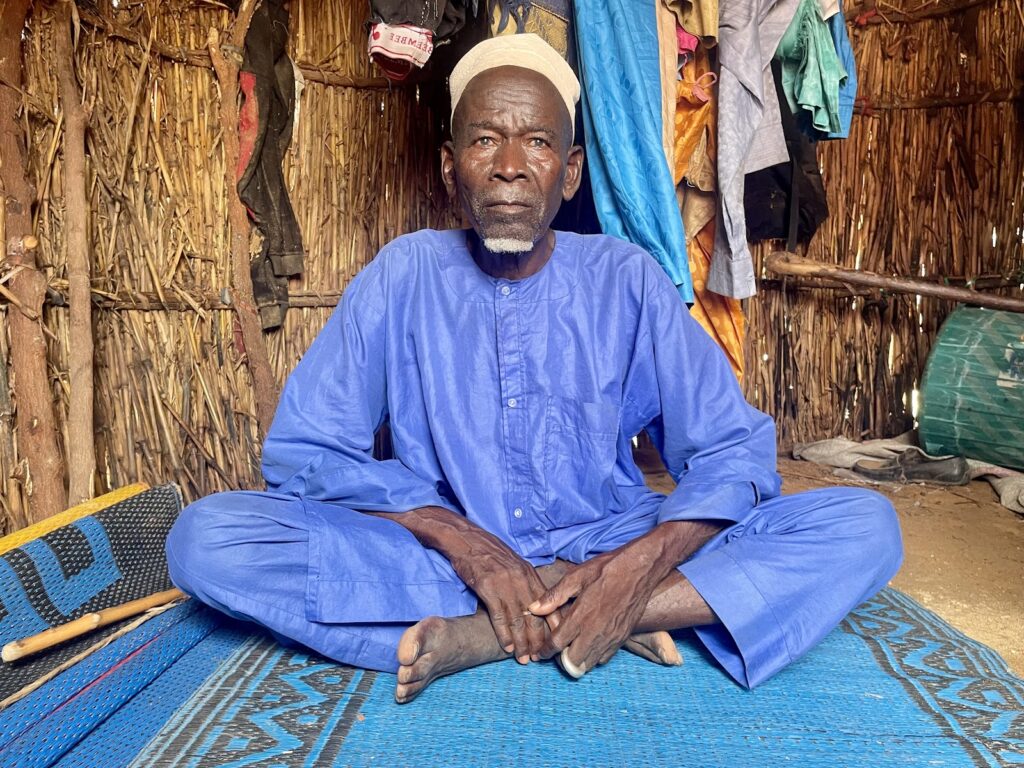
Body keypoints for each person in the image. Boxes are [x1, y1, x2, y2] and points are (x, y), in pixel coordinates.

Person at [166, 33, 902, 704]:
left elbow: (731, 452)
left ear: (571, 171)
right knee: (208, 541)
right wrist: (461, 539)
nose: (511, 167)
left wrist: (637, 565)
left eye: (538, 143)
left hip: (609, 541)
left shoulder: (627, 278)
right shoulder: (404, 276)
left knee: (862, 525)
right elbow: (307, 452)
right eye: (485, 140)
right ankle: (596, 614)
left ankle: (507, 631)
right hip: (446, 562)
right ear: (451, 167)